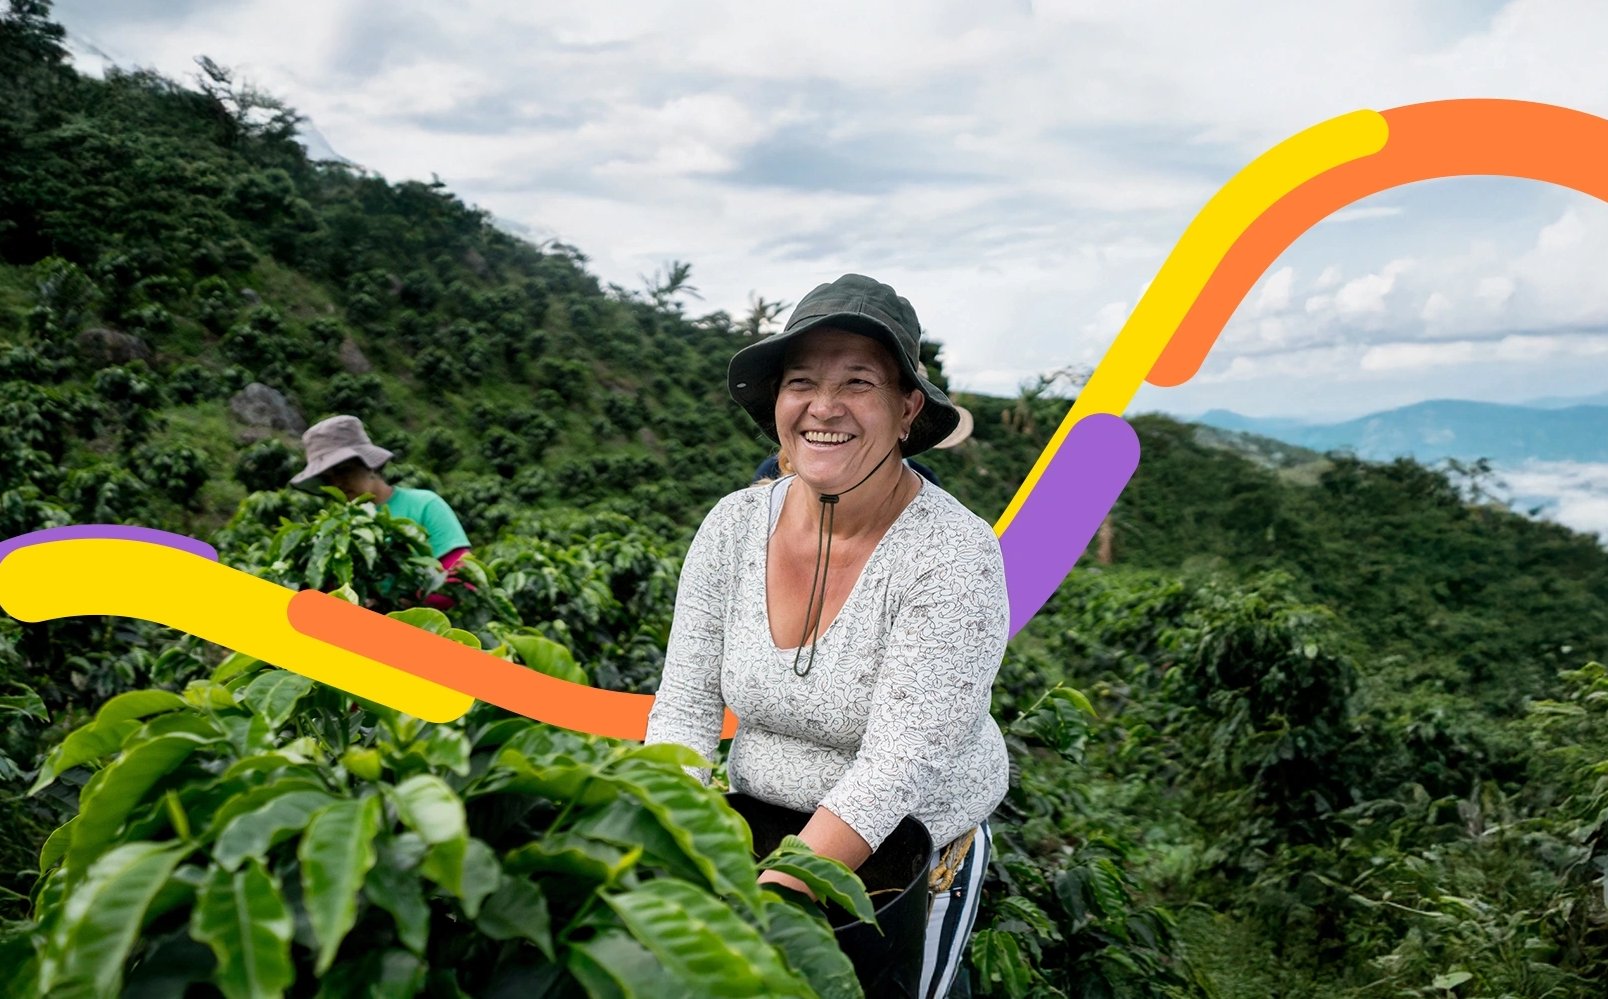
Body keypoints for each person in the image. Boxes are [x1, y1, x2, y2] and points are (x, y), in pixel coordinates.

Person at [646, 274, 1008, 998]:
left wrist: (767, 895)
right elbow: (685, 705)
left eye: (858, 382)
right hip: (755, 830)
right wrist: (675, 842)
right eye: (802, 380)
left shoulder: (954, 554)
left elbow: (896, 768)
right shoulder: (732, 526)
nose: (824, 405)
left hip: (906, 861)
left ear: (907, 409)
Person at [289, 415, 471, 606]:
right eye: (327, 478)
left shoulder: (424, 505)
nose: (337, 483)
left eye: (344, 470)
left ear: (370, 465)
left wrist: (401, 604)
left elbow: (461, 577)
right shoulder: (336, 527)